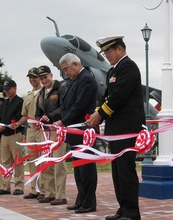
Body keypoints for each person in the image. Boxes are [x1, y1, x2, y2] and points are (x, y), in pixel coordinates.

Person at [86, 36, 145, 220]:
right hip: (115, 128)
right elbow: (106, 96)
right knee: (117, 171)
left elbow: (119, 96)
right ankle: (123, 208)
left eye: (109, 52)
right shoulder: (113, 70)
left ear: (120, 49)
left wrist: (100, 114)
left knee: (126, 170)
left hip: (126, 127)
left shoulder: (129, 67)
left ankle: (131, 212)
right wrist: (97, 112)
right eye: (105, 53)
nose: (107, 55)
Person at [54, 53, 98, 214]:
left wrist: (62, 121)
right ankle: (81, 200)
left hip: (83, 130)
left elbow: (79, 106)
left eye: (66, 69)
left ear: (75, 64)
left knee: (86, 168)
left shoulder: (85, 78)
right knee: (78, 168)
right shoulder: (76, 80)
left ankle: (88, 202)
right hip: (75, 131)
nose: (66, 73)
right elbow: (69, 105)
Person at [35, 65, 68, 205]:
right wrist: (38, 121)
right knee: (46, 162)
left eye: (45, 77)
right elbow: (38, 111)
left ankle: (61, 195)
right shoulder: (41, 93)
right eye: (41, 78)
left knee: (58, 162)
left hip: (57, 130)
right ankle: (49, 193)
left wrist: (50, 116)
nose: (44, 80)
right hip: (45, 132)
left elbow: (64, 107)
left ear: (51, 75)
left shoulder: (61, 88)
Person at [14, 67, 45, 199]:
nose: (32, 80)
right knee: (32, 159)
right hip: (31, 129)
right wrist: (18, 124)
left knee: (42, 160)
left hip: (42, 129)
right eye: (30, 77)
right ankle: (34, 189)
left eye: (35, 77)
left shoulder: (44, 93)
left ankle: (43, 189)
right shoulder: (28, 96)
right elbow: (25, 115)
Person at [0, 79, 25, 196]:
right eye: (5, 90)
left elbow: (21, 117)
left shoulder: (20, 101)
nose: (7, 92)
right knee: (5, 162)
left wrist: (15, 124)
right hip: (4, 135)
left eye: (9, 89)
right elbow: (1, 119)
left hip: (15, 134)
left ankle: (19, 185)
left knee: (17, 161)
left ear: (15, 88)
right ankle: (5, 186)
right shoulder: (5, 103)